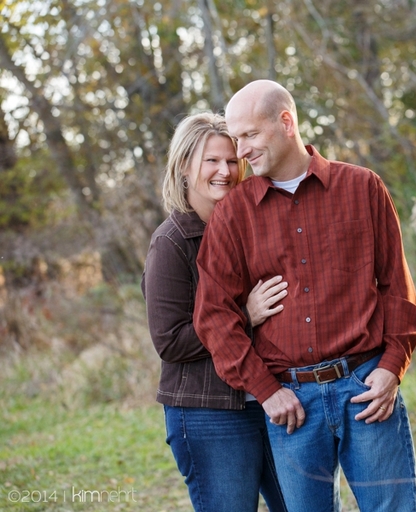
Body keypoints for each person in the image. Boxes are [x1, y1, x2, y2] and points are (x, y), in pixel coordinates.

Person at [193, 80, 416, 512]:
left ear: (286, 122)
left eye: (249, 135)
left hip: (366, 387)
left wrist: (392, 367)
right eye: (235, 137)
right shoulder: (234, 215)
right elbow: (214, 316)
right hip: (291, 402)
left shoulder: (362, 187)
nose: (240, 151)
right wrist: (265, 390)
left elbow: (398, 287)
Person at [141, 112, 288, 512]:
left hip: (271, 399)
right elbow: (169, 341)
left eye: (231, 160)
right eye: (212, 161)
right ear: (185, 167)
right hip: (208, 412)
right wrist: (244, 315)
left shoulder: (250, 227)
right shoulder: (171, 244)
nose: (225, 171)